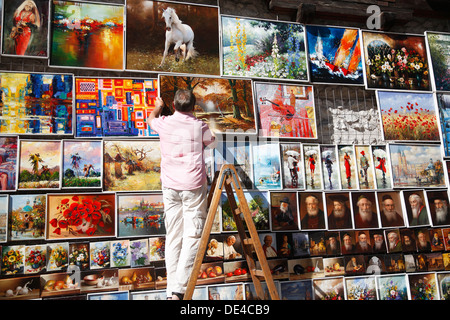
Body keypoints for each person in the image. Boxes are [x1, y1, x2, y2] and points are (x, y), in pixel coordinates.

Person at [148, 90, 216, 300]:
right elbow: (212, 142)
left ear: (174, 105)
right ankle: (178, 290)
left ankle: (171, 292)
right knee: (192, 235)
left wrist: (159, 106)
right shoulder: (199, 126)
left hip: (170, 187)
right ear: (194, 107)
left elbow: (150, 119)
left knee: (173, 237)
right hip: (193, 186)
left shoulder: (164, 122)